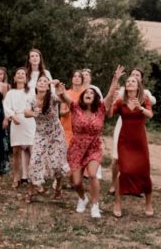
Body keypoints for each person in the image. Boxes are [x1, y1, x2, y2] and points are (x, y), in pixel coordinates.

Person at [56, 81, 115, 219]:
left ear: (96, 98)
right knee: (76, 182)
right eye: (86, 93)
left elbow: (110, 94)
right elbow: (64, 95)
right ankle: (83, 198)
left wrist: (115, 79)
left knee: (93, 175)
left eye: (92, 93)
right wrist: (60, 88)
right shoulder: (75, 107)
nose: (89, 94)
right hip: (76, 147)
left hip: (93, 147)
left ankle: (95, 205)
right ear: (82, 96)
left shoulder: (100, 108)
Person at [108, 66, 154, 218]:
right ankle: (117, 203)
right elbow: (109, 114)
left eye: (133, 81)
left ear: (138, 85)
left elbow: (150, 115)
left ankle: (148, 203)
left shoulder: (144, 99)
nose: (130, 83)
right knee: (125, 171)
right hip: (125, 141)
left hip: (139, 141)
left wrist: (140, 108)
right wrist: (111, 99)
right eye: (128, 81)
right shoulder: (121, 101)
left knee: (144, 172)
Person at [24, 74, 70, 203]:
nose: (42, 82)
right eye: (40, 81)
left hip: (56, 134)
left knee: (57, 163)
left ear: (48, 85)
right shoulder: (32, 99)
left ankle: (58, 189)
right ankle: (30, 192)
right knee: (35, 161)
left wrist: (58, 87)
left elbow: (63, 99)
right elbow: (26, 112)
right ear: (36, 84)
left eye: (45, 81)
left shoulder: (52, 97)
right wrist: (33, 113)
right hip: (40, 135)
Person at [3, 68, 35, 188]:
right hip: (16, 122)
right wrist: (12, 116)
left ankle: (33, 178)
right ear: (15, 78)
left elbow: (35, 105)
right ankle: (16, 177)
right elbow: (6, 106)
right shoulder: (11, 93)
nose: (21, 75)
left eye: (23, 74)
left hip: (29, 122)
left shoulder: (31, 92)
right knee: (16, 152)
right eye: (18, 74)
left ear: (26, 78)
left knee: (32, 151)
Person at [59, 70, 85, 149]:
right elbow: (61, 112)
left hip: (81, 130)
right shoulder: (66, 93)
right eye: (75, 76)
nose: (77, 78)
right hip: (66, 129)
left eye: (79, 76)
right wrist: (70, 110)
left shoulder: (86, 93)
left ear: (82, 80)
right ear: (72, 79)